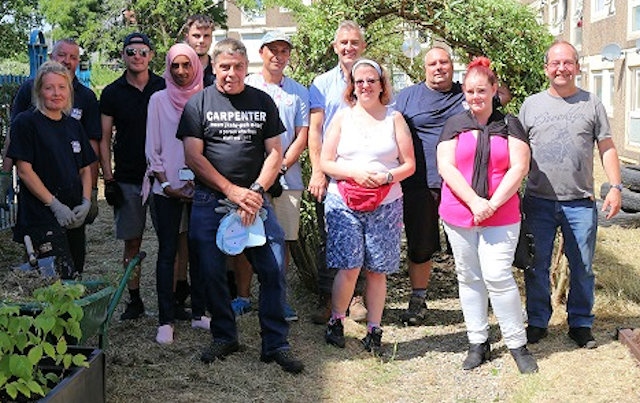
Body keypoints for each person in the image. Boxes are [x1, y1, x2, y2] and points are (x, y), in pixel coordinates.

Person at [177, 38, 304, 374]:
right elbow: (193, 155)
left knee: (273, 267)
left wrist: (256, 191)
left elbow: (275, 152)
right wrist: (232, 191)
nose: (231, 73)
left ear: (247, 68)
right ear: (214, 68)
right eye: (224, 67)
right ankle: (224, 335)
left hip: (256, 200)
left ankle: (275, 343)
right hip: (211, 198)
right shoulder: (198, 103)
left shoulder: (262, 101)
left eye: (238, 67)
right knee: (210, 270)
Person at [395, 45, 511, 326]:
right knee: (421, 245)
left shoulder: (469, 92)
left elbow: (504, 95)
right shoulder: (407, 97)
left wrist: (482, 68)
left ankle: (481, 299)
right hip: (421, 183)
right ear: (424, 68)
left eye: (444, 62)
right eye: (433, 63)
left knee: (473, 243)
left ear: (453, 66)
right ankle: (418, 299)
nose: (439, 68)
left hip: (466, 185)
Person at [437, 56, 537, 373]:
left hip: (502, 214)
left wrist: (491, 204)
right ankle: (477, 342)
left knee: (497, 275)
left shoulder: (510, 125)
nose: (476, 97)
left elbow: (519, 167)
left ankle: (516, 344)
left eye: (482, 90)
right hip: (459, 214)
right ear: (464, 93)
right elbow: (446, 167)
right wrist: (474, 202)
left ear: (494, 89)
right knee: (469, 277)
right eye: (469, 91)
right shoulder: (454, 124)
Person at [518, 40, 622, 349]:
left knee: (583, 266)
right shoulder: (531, 105)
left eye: (568, 63)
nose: (561, 68)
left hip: (580, 202)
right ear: (546, 68)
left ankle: (580, 323)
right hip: (538, 201)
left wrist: (615, 187)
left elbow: (606, 146)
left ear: (577, 67)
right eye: (555, 63)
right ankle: (537, 321)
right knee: (536, 265)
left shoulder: (591, 103)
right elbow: (517, 152)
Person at [321, 58, 415, 353]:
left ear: (382, 85)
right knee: (349, 266)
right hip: (344, 200)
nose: (365, 86)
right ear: (352, 86)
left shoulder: (394, 118)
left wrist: (387, 176)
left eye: (371, 80)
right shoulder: (341, 117)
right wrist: (354, 173)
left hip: (386, 202)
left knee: (377, 269)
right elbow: (325, 161)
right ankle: (337, 320)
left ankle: (374, 329)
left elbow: (409, 164)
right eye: (359, 81)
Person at [238, 30, 309, 322]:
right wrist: (260, 175)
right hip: (250, 179)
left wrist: (279, 168)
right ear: (261, 52)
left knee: (282, 241)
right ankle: (243, 296)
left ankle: (278, 299)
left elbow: (302, 135)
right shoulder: (246, 86)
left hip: (288, 180)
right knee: (245, 238)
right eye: (272, 50)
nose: (278, 56)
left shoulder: (299, 91)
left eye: (284, 51)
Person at [144, 43, 211, 345]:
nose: (181, 72)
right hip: (166, 187)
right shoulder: (158, 99)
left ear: (195, 66)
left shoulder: (207, 97)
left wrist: (202, 181)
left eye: (187, 65)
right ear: (168, 68)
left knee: (198, 251)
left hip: (201, 187)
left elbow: (211, 144)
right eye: (175, 66)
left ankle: (199, 314)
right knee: (168, 252)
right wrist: (165, 181)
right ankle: (166, 319)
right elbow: (153, 145)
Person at [7, 61, 96, 277]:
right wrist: (54, 205)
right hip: (41, 217)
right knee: (53, 280)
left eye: (62, 87)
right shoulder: (26, 123)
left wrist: (85, 201)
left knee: (75, 274)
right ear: (39, 91)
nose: (56, 93)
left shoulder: (73, 125)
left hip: (73, 216)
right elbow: (25, 170)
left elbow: (85, 168)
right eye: (49, 88)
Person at [99, 32, 166, 320]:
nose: (136, 57)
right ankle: (134, 298)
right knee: (132, 242)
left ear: (151, 55)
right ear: (123, 56)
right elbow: (103, 138)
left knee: (172, 240)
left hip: (162, 176)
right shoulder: (112, 92)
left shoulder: (164, 86)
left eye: (142, 51)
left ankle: (173, 296)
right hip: (127, 178)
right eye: (130, 52)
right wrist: (109, 178)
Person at [3, 38, 101, 227]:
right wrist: (5, 174)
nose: (67, 61)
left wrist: (90, 195)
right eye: (62, 55)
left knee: (74, 255)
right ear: (39, 91)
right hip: (38, 203)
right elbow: (13, 138)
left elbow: (89, 153)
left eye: (73, 57)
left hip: (72, 199)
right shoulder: (27, 108)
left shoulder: (82, 108)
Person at [307, 20, 368, 324]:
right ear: (334, 47)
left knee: (362, 236)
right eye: (343, 43)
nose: (348, 48)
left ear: (363, 46)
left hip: (365, 172)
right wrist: (317, 171)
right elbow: (315, 131)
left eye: (354, 42)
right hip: (331, 173)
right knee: (329, 237)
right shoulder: (320, 83)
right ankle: (327, 297)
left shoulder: (373, 78)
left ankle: (356, 297)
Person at [183, 14, 215, 87]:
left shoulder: (219, 71)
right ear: (187, 37)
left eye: (206, 36)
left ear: (211, 38)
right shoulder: (177, 70)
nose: (201, 40)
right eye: (196, 36)